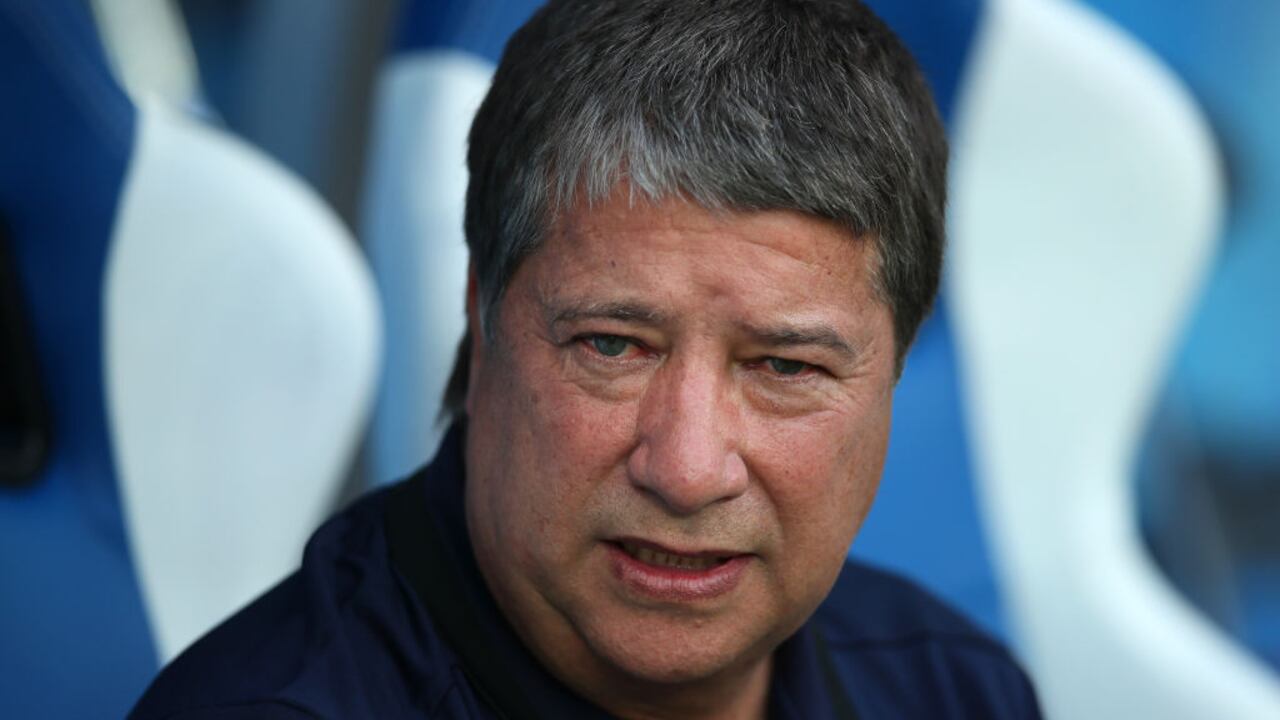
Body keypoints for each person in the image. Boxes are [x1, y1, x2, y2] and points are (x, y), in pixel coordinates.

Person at [131, 0, 1042, 717]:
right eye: (613, 345)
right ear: (479, 320)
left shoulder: (955, 690)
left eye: (785, 368)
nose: (687, 471)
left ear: (894, 374)